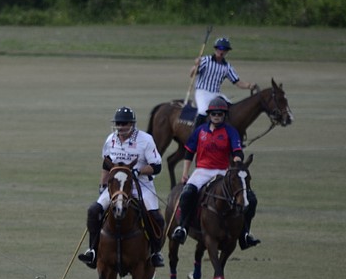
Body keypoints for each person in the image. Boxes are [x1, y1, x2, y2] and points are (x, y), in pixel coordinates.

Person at [78, 106, 166, 269]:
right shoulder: (110, 139)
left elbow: (157, 167)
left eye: (124, 123)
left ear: (132, 124)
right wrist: (103, 186)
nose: (121, 126)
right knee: (94, 210)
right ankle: (93, 250)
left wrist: (138, 170)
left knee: (156, 218)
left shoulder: (145, 140)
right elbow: (106, 164)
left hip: (141, 185)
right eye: (118, 123)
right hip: (116, 186)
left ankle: (155, 252)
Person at [170, 97, 260, 250]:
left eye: (220, 114)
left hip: (224, 170)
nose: (217, 116)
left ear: (224, 115)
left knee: (250, 198)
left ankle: (245, 234)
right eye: (214, 113)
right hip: (203, 170)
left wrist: (237, 163)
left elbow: (237, 151)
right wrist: (185, 173)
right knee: (187, 193)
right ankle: (183, 228)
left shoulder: (230, 131)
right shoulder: (200, 131)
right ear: (209, 115)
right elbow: (189, 152)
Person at [190, 37, 257, 128]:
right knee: (202, 111)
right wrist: (196, 65)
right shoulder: (206, 60)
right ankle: (195, 136)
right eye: (220, 48)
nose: (222, 51)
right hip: (202, 92)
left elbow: (238, 82)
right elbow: (192, 74)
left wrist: (249, 86)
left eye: (225, 50)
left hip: (216, 94)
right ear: (216, 49)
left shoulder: (227, 67)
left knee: (230, 109)